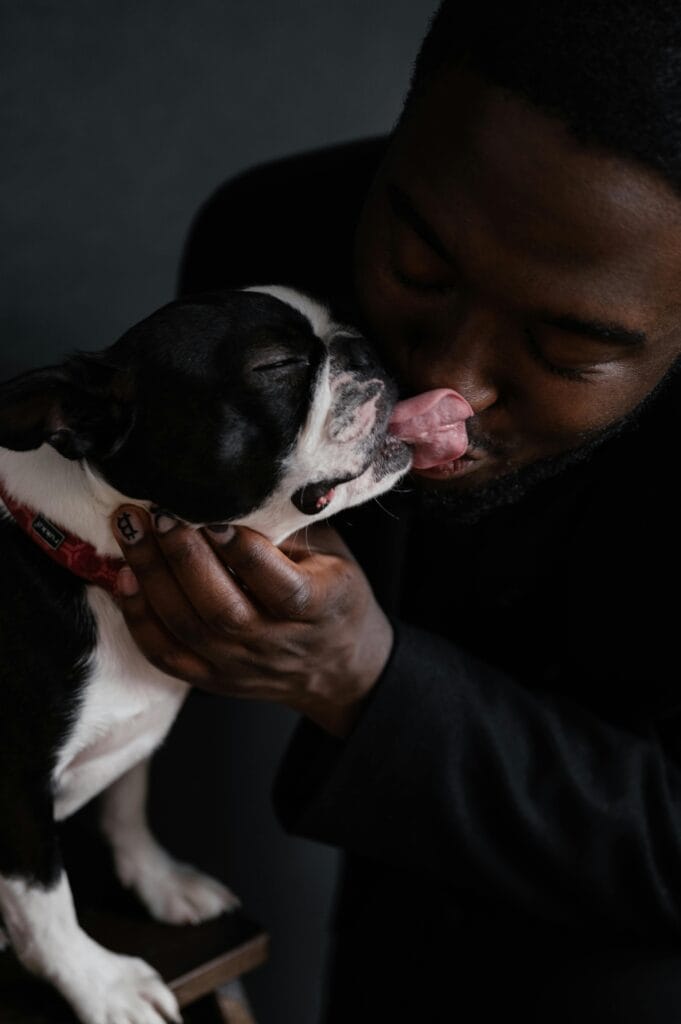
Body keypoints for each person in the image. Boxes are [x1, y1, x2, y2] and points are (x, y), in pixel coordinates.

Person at [109, 1, 681, 1019]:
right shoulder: (274, 247)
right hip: (389, 921)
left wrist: (365, 680)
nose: (441, 390)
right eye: (418, 265)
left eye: (564, 346)